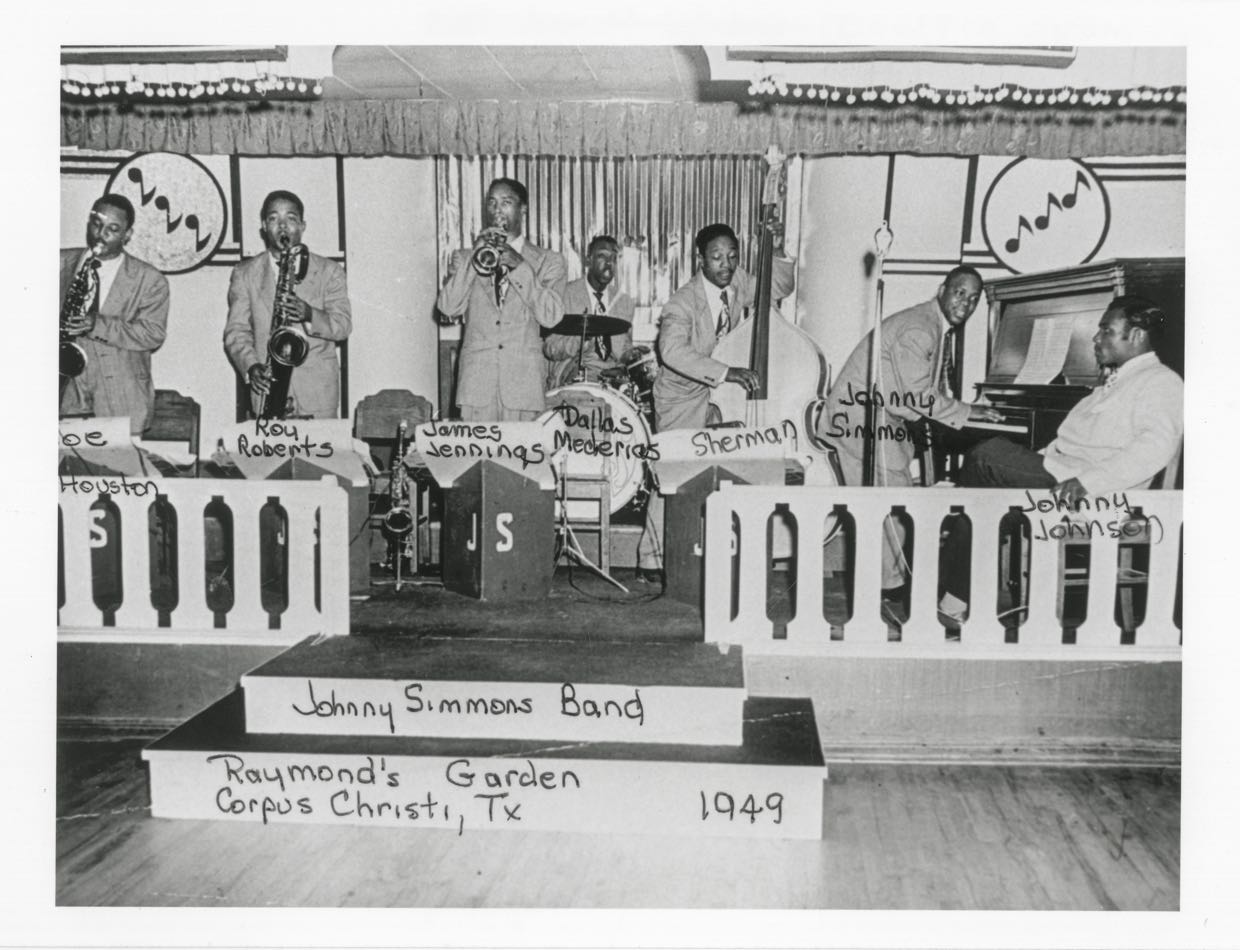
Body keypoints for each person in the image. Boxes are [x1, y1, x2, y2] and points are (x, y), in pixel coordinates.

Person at [817, 266, 1001, 613]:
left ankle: (888, 585)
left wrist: (959, 415)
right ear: (942, 289)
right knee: (894, 502)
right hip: (861, 421)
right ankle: (889, 588)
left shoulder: (930, 324)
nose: (966, 304)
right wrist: (969, 412)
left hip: (875, 418)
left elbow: (914, 393)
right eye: (960, 293)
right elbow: (916, 396)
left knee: (889, 502)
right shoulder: (920, 328)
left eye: (974, 298)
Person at [637, 223, 796, 581]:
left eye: (732, 256)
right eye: (717, 257)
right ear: (701, 259)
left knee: (723, 468)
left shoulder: (736, 280)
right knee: (673, 474)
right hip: (681, 397)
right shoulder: (682, 302)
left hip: (720, 396)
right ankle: (651, 558)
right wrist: (727, 372)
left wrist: (777, 249)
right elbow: (672, 351)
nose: (726, 264)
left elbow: (777, 287)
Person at [958, 296, 1183, 499]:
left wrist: (1088, 482)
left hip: (1090, 487)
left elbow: (1155, 447)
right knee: (991, 457)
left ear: (1137, 335)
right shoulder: (1116, 381)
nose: (1096, 338)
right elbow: (1066, 444)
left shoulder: (1161, 380)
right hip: (1063, 471)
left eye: (1107, 331)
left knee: (986, 456)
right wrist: (1028, 461)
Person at [437, 177, 567, 420]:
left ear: (523, 209)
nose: (497, 210)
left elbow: (551, 316)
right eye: (492, 203)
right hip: (477, 387)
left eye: (506, 203)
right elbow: (448, 307)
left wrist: (520, 267)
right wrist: (475, 257)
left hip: (523, 386)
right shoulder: (464, 258)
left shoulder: (549, 261)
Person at [223, 190, 352, 419]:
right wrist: (251, 367)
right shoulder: (244, 273)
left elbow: (342, 326)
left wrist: (309, 313)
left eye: (291, 219)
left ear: (302, 225)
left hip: (317, 394)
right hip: (267, 390)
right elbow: (236, 331)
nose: (282, 226)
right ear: (264, 226)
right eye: (274, 219)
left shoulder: (330, 271)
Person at [59, 194, 170, 435]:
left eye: (113, 229)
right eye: (97, 224)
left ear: (127, 235)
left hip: (120, 399)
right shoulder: (59, 262)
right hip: (66, 395)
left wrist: (96, 325)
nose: (101, 234)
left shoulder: (150, 279)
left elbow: (153, 334)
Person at [544, 235, 641, 390]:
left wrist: (632, 355)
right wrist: (578, 341)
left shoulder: (624, 302)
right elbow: (550, 348)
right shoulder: (564, 295)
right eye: (602, 256)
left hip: (613, 379)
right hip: (574, 376)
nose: (609, 263)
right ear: (588, 260)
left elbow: (624, 349)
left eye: (613, 258)